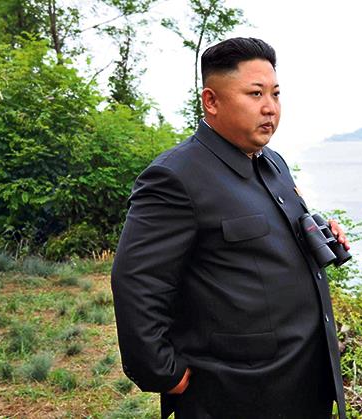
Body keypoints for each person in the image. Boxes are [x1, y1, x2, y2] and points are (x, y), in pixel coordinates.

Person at [111, 37, 349, 419]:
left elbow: (265, 246)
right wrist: (161, 372)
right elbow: (136, 281)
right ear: (211, 101)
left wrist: (318, 237)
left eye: (275, 93)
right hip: (236, 394)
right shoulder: (175, 176)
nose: (270, 107)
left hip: (306, 382)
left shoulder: (273, 163)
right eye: (255, 93)